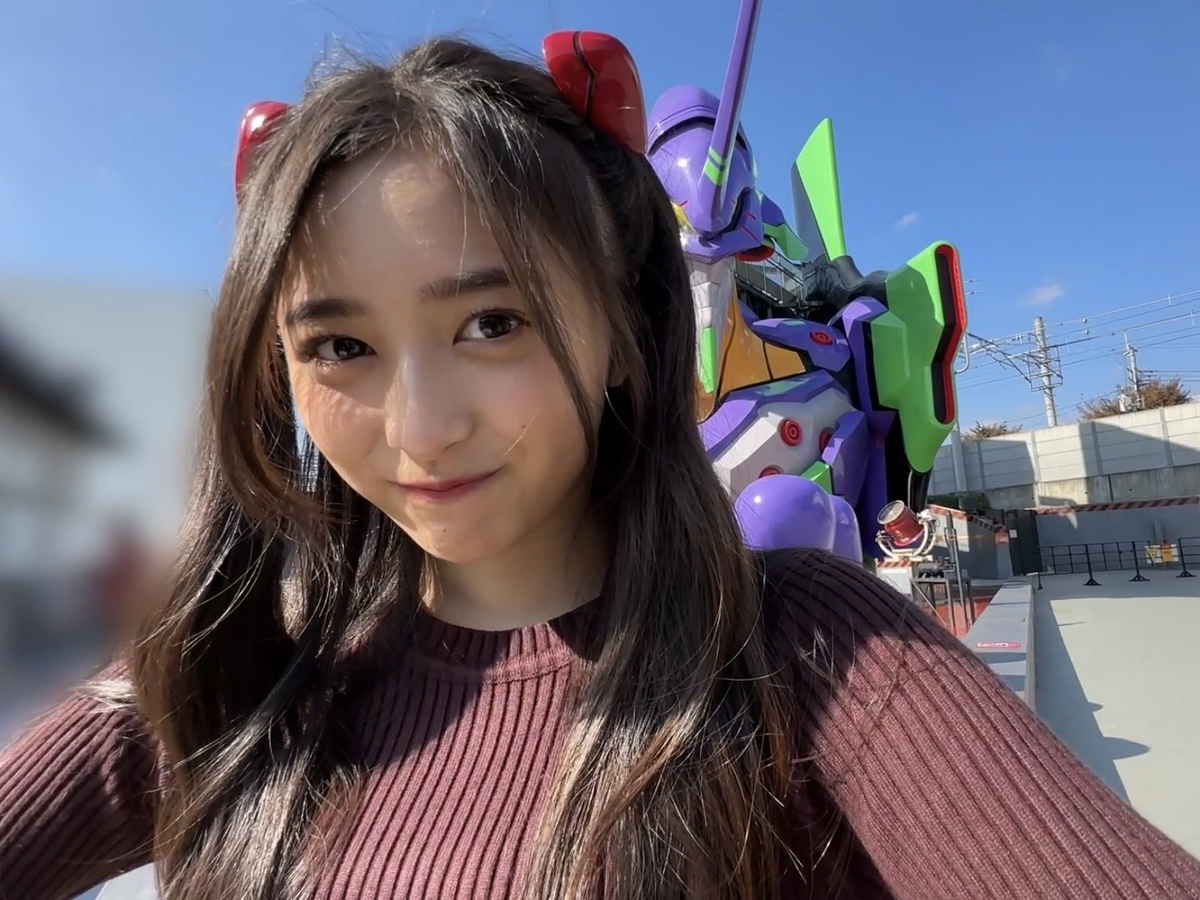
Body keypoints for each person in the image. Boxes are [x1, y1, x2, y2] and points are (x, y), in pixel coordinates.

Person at [1, 34, 1198, 900]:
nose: (421, 429)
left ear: (623, 333)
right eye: (340, 347)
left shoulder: (808, 659)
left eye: (491, 324)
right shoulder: (236, 669)